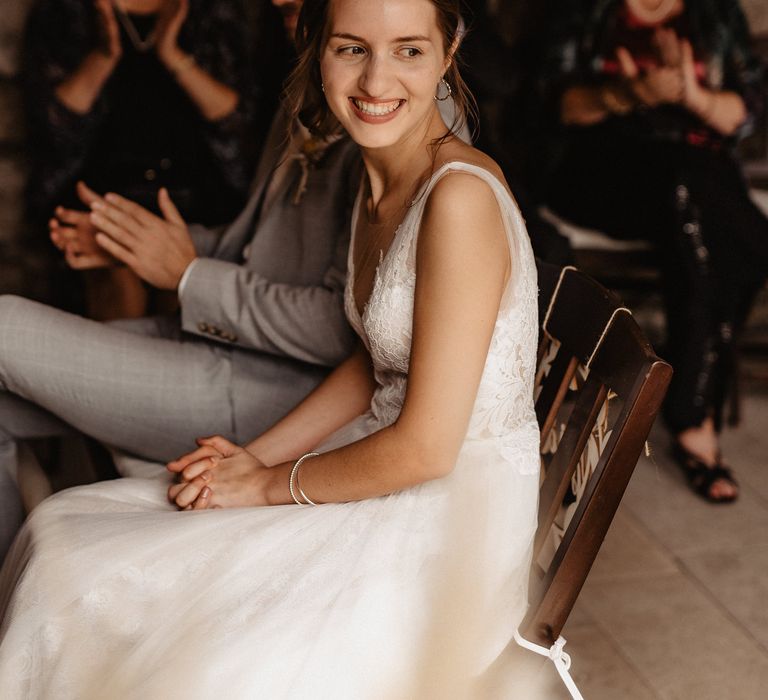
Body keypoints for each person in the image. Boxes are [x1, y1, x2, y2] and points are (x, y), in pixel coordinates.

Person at [0, 0, 540, 696]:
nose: (377, 81)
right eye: (352, 49)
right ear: (317, 51)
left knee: (107, 585)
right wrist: (258, 454)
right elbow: (372, 362)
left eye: (408, 50)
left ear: (447, 53)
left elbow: (428, 449)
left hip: (448, 521)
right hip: (388, 465)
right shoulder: (383, 178)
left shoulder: (456, 199)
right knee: (64, 529)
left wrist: (260, 484)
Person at [0, 0, 359, 565]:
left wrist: (187, 274)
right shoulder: (307, 81)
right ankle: (14, 589)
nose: (279, 2)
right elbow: (256, 245)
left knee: (3, 327)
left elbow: (340, 329)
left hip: (279, 395)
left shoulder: (383, 106)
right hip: (230, 349)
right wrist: (134, 242)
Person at [536, 0, 767, 502]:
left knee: (696, 196)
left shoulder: (716, 13)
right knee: (734, 227)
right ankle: (693, 417)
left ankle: (689, 403)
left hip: (700, 173)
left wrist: (692, 94)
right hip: (607, 170)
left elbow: (744, 115)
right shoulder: (588, 11)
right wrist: (630, 92)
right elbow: (556, 106)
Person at [24, 0, 257, 320]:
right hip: (99, 188)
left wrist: (171, 54)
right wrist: (104, 56)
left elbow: (237, 120)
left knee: (177, 296)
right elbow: (53, 125)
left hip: (194, 193)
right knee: (116, 282)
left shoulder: (213, 11)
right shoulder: (66, 10)